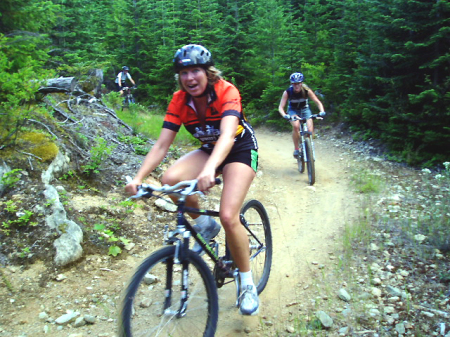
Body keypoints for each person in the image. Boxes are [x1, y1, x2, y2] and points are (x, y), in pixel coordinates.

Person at [124, 44, 260, 316]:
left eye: (195, 70)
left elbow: (226, 136)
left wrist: (209, 170)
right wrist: (138, 178)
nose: (190, 78)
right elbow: (162, 145)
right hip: (210, 149)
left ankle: (246, 284)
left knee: (229, 214)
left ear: (208, 72)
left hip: (239, 149)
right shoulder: (179, 100)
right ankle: (203, 224)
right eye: (184, 72)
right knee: (169, 178)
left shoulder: (226, 91)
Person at [278, 72, 325, 158]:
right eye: (294, 84)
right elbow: (281, 107)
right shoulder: (288, 92)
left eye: (298, 83)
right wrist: (285, 115)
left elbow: (317, 102)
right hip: (293, 110)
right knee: (296, 126)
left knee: (310, 130)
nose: (296, 86)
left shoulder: (307, 90)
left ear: (301, 83)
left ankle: (308, 146)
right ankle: (296, 149)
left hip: (304, 109)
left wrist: (322, 111)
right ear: (292, 84)